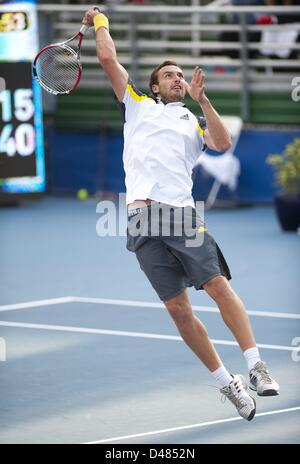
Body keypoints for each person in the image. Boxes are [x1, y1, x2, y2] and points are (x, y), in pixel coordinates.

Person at [82, 7, 280, 421]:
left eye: (180, 75)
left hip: (181, 216)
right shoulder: (136, 105)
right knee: (177, 309)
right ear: (154, 87)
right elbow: (106, 59)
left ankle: (256, 364)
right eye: (168, 75)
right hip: (141, 221)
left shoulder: (191, 119)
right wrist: (99, 20)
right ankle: (230, 384)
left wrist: (203, 99)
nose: (177, 78)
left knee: (217, 285)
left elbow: (223, 143)